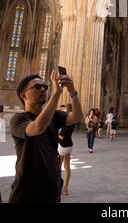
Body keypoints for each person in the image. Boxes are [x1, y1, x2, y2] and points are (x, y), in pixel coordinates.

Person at [9, 71, 83, 203]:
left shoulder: (53, 115)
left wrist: (72, 92)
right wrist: (56, 94)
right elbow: (37, 128)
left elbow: (77, 116)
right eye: (37, 87)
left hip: (51, 191)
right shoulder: (18, 119)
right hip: (27, 193)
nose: (43, 89)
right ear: (23, 95)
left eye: (45, 86)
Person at [58, 104, 75, 195]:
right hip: (69, 145)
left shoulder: (67, 121)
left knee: (58, 167)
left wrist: (56, 134)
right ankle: (65, 189)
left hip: (63, 145)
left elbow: (62, 136)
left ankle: (58, 187)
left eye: (65, 109)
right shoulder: (73, 119)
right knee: (67, 167)